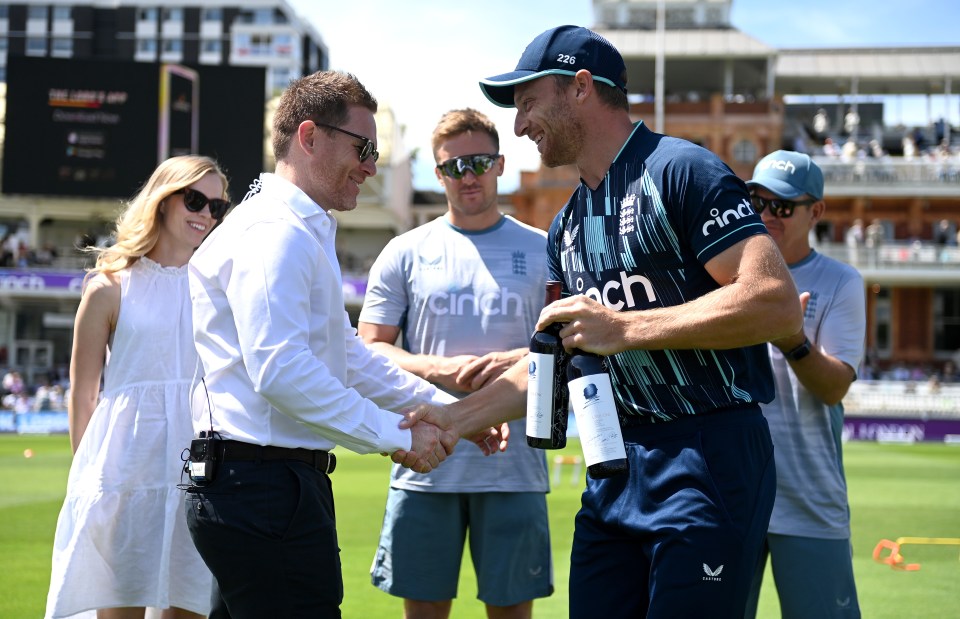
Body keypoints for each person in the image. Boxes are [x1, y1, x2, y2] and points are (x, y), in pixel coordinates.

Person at [403, 25, 803, 619]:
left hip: (707, 457)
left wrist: (626, 329)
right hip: (612, 462)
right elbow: (565, 358)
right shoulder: (566, 226)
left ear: (582, 88)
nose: (519, 125)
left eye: (529, 102)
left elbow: (775, 301)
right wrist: (452, 421)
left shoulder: (682, 170)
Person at [185, 71, 501, 619]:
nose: (371, 166)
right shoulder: (276, 231)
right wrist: (395, 435)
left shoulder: (296, 228)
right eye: (363, 147)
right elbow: (281, 370)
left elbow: (347, 358)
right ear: (309, 137)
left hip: (262, 484)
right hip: (262, 487)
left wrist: (456, 414)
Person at [361, 108, 553, 619]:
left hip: (515, 470)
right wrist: (439, 371)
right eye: (452, 166)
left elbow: (570, 345)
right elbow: (369, 349)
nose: (467, 175)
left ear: (500, 165)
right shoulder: (404, 251)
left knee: (511, 611)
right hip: (425, 461)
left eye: (479, 162)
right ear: (437, 172)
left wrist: (517, 359)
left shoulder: (545, 250)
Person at [45, 155, 230, 619]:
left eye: (217, 207)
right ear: (163, 201)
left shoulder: (223, 288)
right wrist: (89, 479)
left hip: (200, 471)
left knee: (187, 607)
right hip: (124, 470)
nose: (206, 214)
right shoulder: (109, 286)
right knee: (117, 611)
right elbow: (83, 393)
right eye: (195, 199)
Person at [742, 150, 865, 619]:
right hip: (734, 495)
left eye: (783, 206)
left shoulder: (840, 282)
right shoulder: (724, 276)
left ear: (816, 212)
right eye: (758, 201)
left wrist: (792, 340)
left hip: (809, 496)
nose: (768, 215)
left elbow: (834, 387)